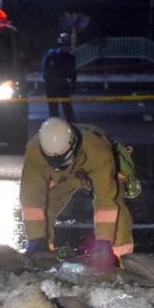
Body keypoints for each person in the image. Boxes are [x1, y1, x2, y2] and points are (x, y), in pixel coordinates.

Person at [20, 117, 134, 271]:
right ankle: (43, 261)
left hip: (94, 169)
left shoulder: (98, 150)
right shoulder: (34, 151)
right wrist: (36, 238)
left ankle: (122, 262)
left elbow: (106, 200)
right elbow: (32, 200)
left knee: (117, 211)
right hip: (64, 177)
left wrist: (104, 241)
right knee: (45, 206)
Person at [42, 32, 76, 122]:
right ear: (59, 45)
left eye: (67, 45)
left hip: (64, 86)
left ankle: (72, 127)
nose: (65, 47)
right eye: (62, 45)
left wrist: (72, 86)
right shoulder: (51, 54)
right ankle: (55, 127)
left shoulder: (71, 58)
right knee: (53, 111)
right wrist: (49, 82)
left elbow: (73, 74)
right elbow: (45, 71)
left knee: (68, 110)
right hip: (51, 86)